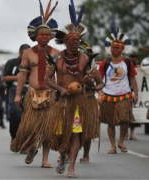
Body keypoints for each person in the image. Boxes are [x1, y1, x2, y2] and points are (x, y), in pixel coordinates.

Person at [45, 1, 99, 177]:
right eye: (73, 40)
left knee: (76, 135)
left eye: (79, 40)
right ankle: (62, 157)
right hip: (61, 102)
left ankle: (71, 167)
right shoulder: (56, 58)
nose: (77, 43)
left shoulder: (85, 59)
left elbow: (99, 83)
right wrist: (59, 88)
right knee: (60, 135)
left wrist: (89, 83)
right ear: (66, 41)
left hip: (78, 103)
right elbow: (46, 79)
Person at [11, 0, 59, 168]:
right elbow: (22, 75)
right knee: (31, 127)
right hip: (32, 94)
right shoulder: (27, 53)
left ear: (51, 36)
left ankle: (45, 159)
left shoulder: (57, 54)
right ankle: (32, 149)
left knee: (47, 128)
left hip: (50, 94)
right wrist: (18, 95)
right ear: (35, 36)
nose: (44, 37)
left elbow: (61, 75)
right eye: (41, 34)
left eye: (47, 34)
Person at [98, 18, 138, 154]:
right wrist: (99, 94)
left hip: (125, 94)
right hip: (109, 95)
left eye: (118, 47)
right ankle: (113, 145)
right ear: (110, 49)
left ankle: (121, 141)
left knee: (125, 120)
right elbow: (99, 79)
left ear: (122, 49)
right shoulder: (105, 62)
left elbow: (133, 78)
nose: (116, 49)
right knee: (110, 122)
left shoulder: (127, 62)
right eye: (113, 47)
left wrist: (136, 94)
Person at [77, 41, 103, 164]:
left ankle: (86, 155)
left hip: (89, 101)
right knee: (70, 129)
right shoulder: (69, 69)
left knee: (87, 130)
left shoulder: (93, 70)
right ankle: (65, 153)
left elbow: (101, 83)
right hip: (74, 102)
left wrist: (94, 88)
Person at [2, 44, 30, 145]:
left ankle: (25, 141)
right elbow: (4, 78)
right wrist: (16, 78)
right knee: (15, 113)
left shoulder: (33, 63)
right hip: (14, 90)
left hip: (29, 90)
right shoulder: (12, 63)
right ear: (20, 53)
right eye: (24, 54)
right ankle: (14, 136)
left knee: (28, 116)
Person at [124, 54, 141, 140]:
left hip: (137, 94)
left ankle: (131, 134)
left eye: (133, 60)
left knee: (134, 115)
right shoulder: (126, 68)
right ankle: (125, 133)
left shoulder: (140, 69)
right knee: (126, 115)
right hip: (127, 93)